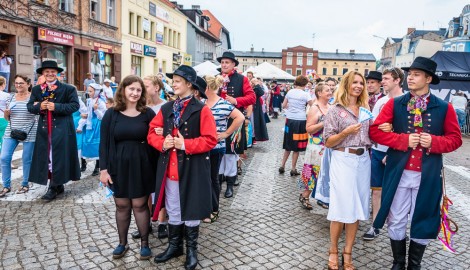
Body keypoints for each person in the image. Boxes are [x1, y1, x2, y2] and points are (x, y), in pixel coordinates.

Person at [370, 57, 462, 270]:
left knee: (424, 217)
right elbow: (374, 131)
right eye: (409, 73)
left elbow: (455, 139)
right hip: (399, 172)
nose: (410, 77)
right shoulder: (395, 103)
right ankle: (398, 262)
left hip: (427, 174)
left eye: (416, 74)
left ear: (428, 79)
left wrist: (435, 142)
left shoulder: (444, 107)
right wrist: (401, 140)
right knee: (396, 218)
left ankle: (414, 264)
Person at [147, 65, 217, 270]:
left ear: (189, 84)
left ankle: (192, 251)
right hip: (170, 168)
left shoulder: (202, 109)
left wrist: (184, 144)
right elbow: (151, 132)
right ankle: (174, 246)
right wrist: (162, 143)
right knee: (174, 207)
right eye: (173, 80)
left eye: (177, 81)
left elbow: (210, 140)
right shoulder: (167, 108)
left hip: (193, 168)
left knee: (192, 209)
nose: (173, 84)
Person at [99, 75, 157, 260]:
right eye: (131, 89)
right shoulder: (112, 113)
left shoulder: (148, 113)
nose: (135, 93)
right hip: (118, 165)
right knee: (122, 205)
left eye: (138, 90)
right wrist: (104, 169)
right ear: (123, 89)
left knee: (140, 204)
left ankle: (145, 243)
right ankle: (122, 243)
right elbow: (104, 144)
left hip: (142, 164)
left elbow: (155, 139)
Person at [323, 71, 372, 270]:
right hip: (343, 159)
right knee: (341, 207)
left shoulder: (366, 109)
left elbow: (372, 136)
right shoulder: (336, 110)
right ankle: (333, 251)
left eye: (361, 83)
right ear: (346, 84)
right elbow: (328, 141)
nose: (359, 86)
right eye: (355, 82)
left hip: (363, 160)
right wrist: (345, 132)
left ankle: (348, 252)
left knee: (357, 207)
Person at [27, 60, 81, 202]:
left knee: (58, 156)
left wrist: (56, 106)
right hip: (45, 129)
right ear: (43, 74)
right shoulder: (37, 89)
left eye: (52, 71)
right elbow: (30, 107)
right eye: (47, 72)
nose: (50, 74)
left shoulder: (68, 89)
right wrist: (40, 106)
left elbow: (75, 106)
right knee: (48, 156)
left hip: (62, 128)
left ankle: (54, 186)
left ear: (57, 73)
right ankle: (58, 184)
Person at [363, 67, 405, 241]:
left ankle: (399, 228)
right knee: (376, 190)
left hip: (399, 153)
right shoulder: (381, 102)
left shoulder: (407, 101)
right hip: (378, 151)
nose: (383, 82)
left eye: (387, 79)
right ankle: (375, 225)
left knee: (399, 193)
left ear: (397, 80)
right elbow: (373, 127)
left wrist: (392, 150)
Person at [130, 75, 168, 241]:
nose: (142, 90)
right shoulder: (139, 106)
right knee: (145, 188)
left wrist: (165, 131)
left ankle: (162, 223)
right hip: (143, 151)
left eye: (145, 86)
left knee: (161, 186)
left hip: (161, 151)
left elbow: (173, 127)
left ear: (157, 88)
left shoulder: (166, 106)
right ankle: (146, 223)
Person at [202, 75, 244, 222]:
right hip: (199, 147)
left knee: (213, 178)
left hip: (215, 147)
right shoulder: (200, 102)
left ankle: (213, 209)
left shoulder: (223, 104)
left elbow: (240, 117)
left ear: (207, 87)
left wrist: (226, 133)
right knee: (201, 178)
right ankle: (202, 207)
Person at [217, 51, 256, 195]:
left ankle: (230, 185)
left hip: (234, 120)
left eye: (227, 62)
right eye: (222, 62)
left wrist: (236, 101)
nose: (224, 65)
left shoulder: (242, 79)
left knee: (231, 153)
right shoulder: (216, 78)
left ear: (233, 64)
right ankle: (217, 182)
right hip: (217, 121)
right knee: (218, 152)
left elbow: (252, 98)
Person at [0, 75, 38, 197]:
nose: (18, 85)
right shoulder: (11, 97)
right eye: (16, 83)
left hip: (29, 131)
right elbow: (8, 118)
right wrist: (6, 114)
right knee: (4, 157)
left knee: (26, 159)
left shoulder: (33, 98)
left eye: (21, 83)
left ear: (28, 84)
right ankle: (6, 186)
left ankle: (25, 184)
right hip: (11, 130)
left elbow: (37, 115)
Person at [298, 82, 332, 210]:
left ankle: (323, 197)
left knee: (325, 172)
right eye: (327, 90)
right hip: (316, 146)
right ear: (319, 93)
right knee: (312, 172)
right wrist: (323, 123)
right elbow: (309, 128)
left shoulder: (330, 106)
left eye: (330, 90)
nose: (330, 92)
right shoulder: (314, 108)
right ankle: (304, 195)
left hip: (328, 145)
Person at [279, 75, 313, 176]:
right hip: (300, 120)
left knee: (288, 144)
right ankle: (293, 168)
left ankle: (282, 165)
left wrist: (291, 108)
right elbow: (313, 105)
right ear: (305, 84)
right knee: (297, 147)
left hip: (289, 120)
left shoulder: (290, 92)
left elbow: (284, 105)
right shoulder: (306, 94)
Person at [82, 83, 106, 176]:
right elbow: (88, 111)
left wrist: (96, 110)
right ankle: (85, 163)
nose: (89, 93)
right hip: (89, 123)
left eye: (91, 91)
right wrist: (85, 115)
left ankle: (98, 165)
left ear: (96, 91)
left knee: (97, 145)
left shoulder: (100, 101)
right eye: (88, 91)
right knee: (87, 143)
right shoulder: (89, 100)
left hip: (97, 124)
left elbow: (102, 116)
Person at [251, 78, 269, 142]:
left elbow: (261, 93)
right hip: (249, 107)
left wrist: (256, 84)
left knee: (254, 123)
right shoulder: (250, 88)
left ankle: (253, 138)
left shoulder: (256, 88)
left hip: (255, 108)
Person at [0, 76, 10, 150]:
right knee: (4, 139)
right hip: (3, 119)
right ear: (3, 84)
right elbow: (9, 108)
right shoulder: (6, 95)